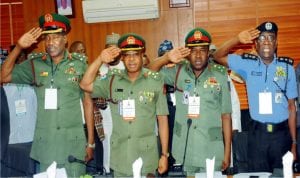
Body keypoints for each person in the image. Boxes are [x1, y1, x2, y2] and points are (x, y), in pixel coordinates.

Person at [0, 13, 94, 177]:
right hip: (47, 144)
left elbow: (87, 103)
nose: (50, 43)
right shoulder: (35, 65)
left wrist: (91, 143)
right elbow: (3, 76)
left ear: (65, 39)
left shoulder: (79, 65)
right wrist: (19, 47)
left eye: (55, 37)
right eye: (47, 38)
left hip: (73, 142)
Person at [79, 33, 169, 176]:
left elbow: (163, 119)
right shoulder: (112, 80)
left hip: (146, 156)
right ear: (122, 57)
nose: (131, 59)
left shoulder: (155, 80)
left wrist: (164, 155)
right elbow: (85, 84)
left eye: (136, 54)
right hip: (121, 156)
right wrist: (99, 60)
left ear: (142, 55)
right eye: (127, 55)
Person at [213, 21, 297, 173]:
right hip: (257, 136)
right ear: (256, 45)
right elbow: (217, 56)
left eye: (270, 38)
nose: (266, 42)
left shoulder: (287, 68)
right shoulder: (246, 64)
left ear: (276, 43)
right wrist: (237, 39)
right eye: (262, 38)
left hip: (282, 136)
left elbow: (292, 107)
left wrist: (294, 143)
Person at [148, 27, 232, 175]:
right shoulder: (178, 72)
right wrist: (166, 58)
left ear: (208, 52)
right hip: (187, 148)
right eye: (193, 50)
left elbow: (226, 115)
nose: (198, 55)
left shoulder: (220, 75)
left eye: (202, 50)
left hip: (211, 148)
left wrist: (227, 153)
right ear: (187, 53)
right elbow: (149, 73)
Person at [1, 46, 38, 176]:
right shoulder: (4, 85)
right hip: (11, 141)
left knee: (31, 173)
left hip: (31, 138)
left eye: (21, 56)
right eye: (15, 56)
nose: (18, 59)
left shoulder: (35, 84)